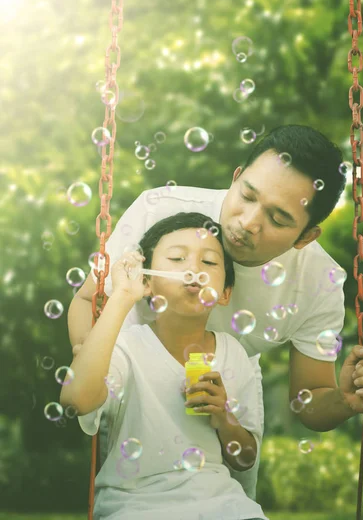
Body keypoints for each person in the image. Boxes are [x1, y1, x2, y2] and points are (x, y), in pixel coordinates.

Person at [68, 124, 363, 503]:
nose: (247, 223)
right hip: (131, 401)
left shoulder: (318, 281)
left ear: (305, 237)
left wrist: (345, 401)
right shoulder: (160, 209)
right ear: (236, 177)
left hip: (225, 423)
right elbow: (90, 300)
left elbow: (310, 397)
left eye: (278, 219)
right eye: (247, 195)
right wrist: (89, 361)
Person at [61, 213, 269, 520]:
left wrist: (223, 416)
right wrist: (122, 296)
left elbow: (245, 459)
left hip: (220, 503)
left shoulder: (232, 353)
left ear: (225, 293)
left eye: (209, 263)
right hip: (135, 505)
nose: (194, 269)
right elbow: (76, 400)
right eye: (176, 258)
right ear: (147, 280)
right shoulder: (126, 347)